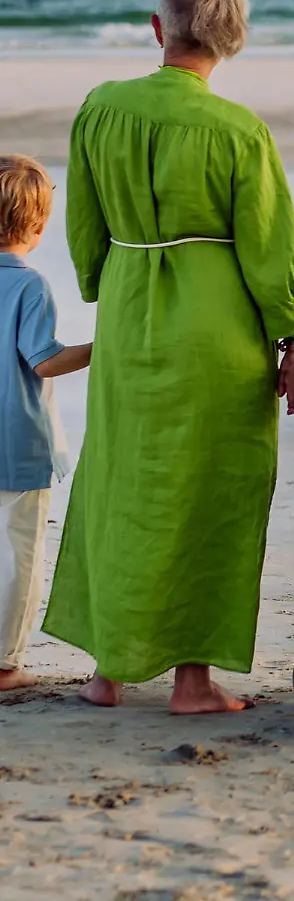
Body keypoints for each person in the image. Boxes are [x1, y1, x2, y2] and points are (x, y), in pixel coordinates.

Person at [43, 0, 294, 714]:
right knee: (210, 495)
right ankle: (191, 683)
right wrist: (291, 338)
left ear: (158, 30)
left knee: (122, 484)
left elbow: (85, 230)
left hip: (130, 312)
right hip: (217, 329)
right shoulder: (238, 130)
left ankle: (109, 671)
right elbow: (269, 251)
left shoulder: (101, 109)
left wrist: (110, 284)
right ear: (232, 43)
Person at [0, 157, 91, 692]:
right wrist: (102, 350)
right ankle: (7, 663)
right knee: (20, 556)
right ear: (36, 226)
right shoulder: (30, 286)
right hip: (17, 443)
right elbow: (43, 359)